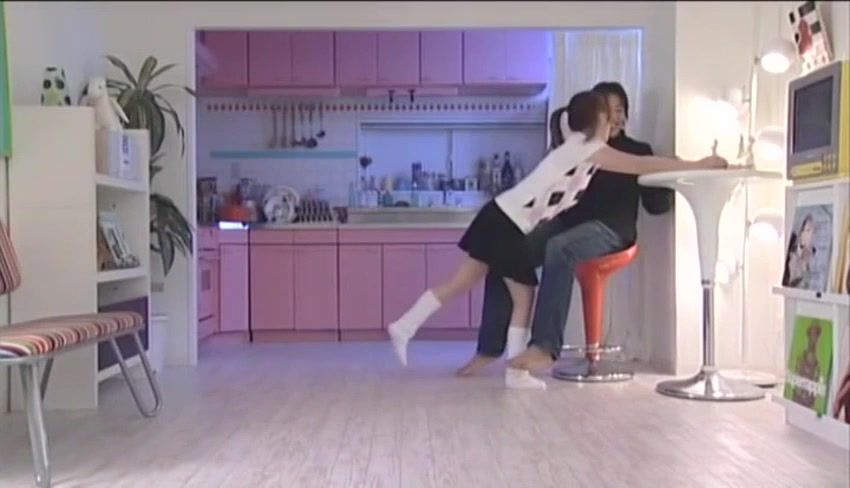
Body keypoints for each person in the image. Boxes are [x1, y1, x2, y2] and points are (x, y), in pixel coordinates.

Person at [386, 90, 728, 389]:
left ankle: (405, 327)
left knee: (465, 283)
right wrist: (698, 163)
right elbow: (641, 164)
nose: (613, 123)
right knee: (520, 295)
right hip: (507, 223)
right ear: (597, 121)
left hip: (500, 216)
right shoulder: (588, 148)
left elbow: (636, 158)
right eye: (608, 116)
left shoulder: (577, 144)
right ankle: (517, 370)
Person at [458, 81, 673, 378]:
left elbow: (656, 202)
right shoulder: (579, 148)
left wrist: (672, 173)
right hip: (569, 225)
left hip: (612, 230)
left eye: (620, 110)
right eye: (607, 112)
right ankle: (488, 349)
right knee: (505, 250)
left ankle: (545, 346)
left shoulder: (636, 151)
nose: (615, 118)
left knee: (560, 247)